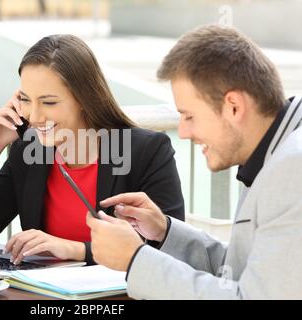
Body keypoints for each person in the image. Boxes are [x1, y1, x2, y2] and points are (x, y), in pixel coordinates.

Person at [87, 25, 302, 299]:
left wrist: (135, 259)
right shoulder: (276, 152)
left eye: (189, 116)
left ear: (234, 106)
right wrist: (164, 231)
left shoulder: (293, 169)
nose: (184, 132)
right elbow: (239, 271)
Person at [0, 34, 185, 266]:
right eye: (26, 100)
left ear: (83, 98)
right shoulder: (30, 150)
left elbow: (169, 247)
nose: (35, 117)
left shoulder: (146, 151)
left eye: (49, 102)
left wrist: (75, 249)